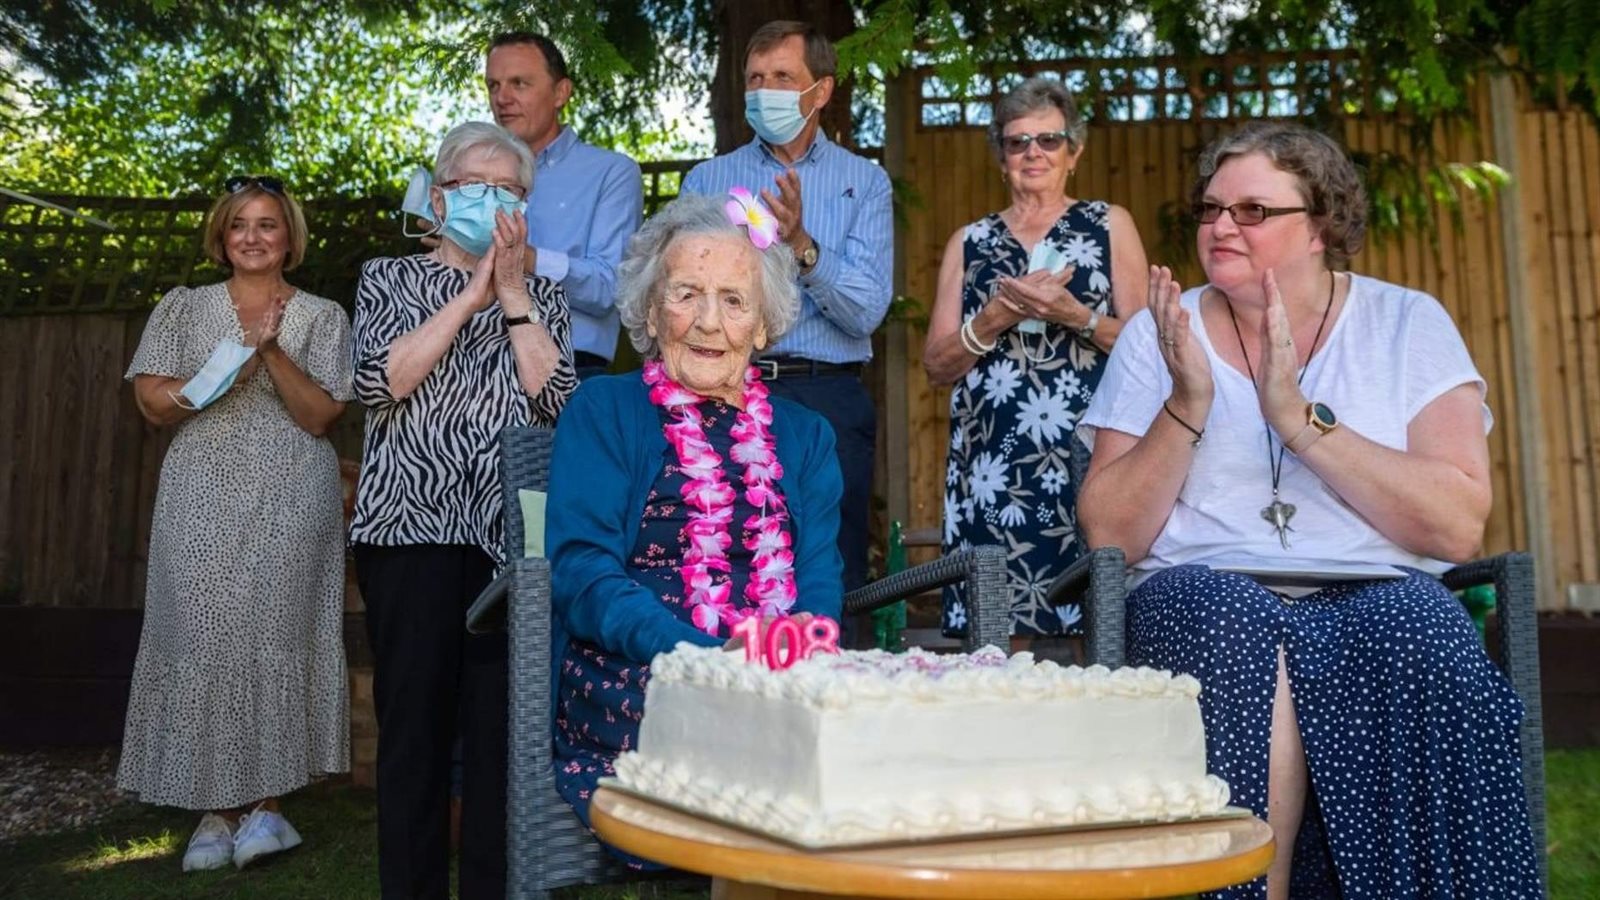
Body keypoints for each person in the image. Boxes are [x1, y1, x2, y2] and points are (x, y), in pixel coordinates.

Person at [1077, 121, 1540, 898]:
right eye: (1211, 208)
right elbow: (1110, 535)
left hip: (1377, 589)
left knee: (1418, 625)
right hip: (1201, 585)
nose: (1221, 226)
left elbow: (1459, 524)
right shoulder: (1159, 336)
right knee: (1230, 617)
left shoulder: (1406, 324)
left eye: (1252, 210)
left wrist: (1301, 422)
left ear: (1322, 225)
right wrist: (1187, 402)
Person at [546, 192, 844, 864]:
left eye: (735, 301)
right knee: (749, 743)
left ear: (763, 325)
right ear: (653, 313)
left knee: (837, 721)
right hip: (639, 665)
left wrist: (790, 656)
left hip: (774, 666)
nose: (710, 322)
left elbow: (819, 578)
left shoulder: (808, 436)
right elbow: (583, 572)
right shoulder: (604, 409)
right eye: (686, 294)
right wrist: (695, 659)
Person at [349, 121, 577, 899]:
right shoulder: (387, 278)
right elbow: (382, 383)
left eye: (507, 190)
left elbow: (558, 406)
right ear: (439, 195)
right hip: (407, 536)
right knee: (412, 731)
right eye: (472, 186)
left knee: (499, 740)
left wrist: (510, 297)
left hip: (508, 544)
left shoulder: (543, 294)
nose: (490, 200)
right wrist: (468, 294)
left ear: (525, 208)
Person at [118, 175, 352, 872]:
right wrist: (213, 374)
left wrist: (270, 350)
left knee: (276, 632)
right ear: (221, 238)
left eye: (268, 225)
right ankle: (214, 811)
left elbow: (320, 416)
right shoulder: (183, 308)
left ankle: (268, 809)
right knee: (202, 630)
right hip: (200, 487)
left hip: (290, 491)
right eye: (240, 225)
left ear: (290, 238)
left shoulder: (321, 315)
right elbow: (151, 403)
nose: (253, 236)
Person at [923, 77, 1148, 644]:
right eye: (1017, 141)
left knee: (1095, 628)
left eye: (1048, 140)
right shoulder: (968, 242)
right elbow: (936, 364)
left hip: (1089, 454)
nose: (1033, 153)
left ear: (1074, 151)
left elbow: (1149, 348)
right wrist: (995, 316)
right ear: (1000, 157)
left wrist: (1075, 315)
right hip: (991, 462)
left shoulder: (1108, 225)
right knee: (997, 631)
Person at [681, 19, 890, 601]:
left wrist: (800, 245)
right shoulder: (707, 180)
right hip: (727, 390)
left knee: (833, 573)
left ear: (820, 91)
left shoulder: (864, 182)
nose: (764, 90)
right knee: (720, 559)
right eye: (754, 78)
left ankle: (833, 687)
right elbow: (678, 292)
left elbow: (865, 312)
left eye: (781, 77)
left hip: (826, 396)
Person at [486, 31, 643, 378]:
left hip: (571, 366)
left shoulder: (611, 172)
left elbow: (609, 288)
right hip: (479, 364)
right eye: (493, 85)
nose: (503, 97)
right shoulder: (473, 176)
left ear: (561, 92)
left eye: (519, 83)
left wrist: (524, 258)